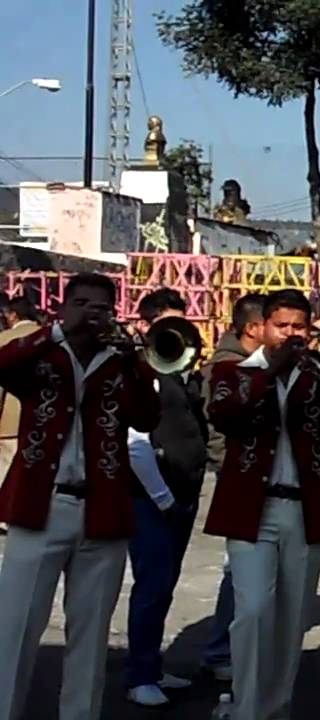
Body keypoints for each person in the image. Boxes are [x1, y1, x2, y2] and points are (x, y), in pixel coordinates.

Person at [0, 273, 161, 720]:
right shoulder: (42, 354)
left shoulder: (119, 362)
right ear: (63, 308)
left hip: (102, 510)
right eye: (82, 304)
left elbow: (147, 417)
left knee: (90, 638)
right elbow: (3, 365)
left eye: (101, 307)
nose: (92, 314)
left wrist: (134, 359)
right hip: (40, 505)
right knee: (15, 629)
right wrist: (55, 332)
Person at [203, 289, 320, 720]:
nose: (291, 334)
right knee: (252, 612)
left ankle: (276, 707)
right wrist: (273, 372)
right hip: (252, 508)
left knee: (292, 618)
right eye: (282, 326)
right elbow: (223, 414)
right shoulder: (234, 371)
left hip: (306, 510)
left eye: (299, 327)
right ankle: (246, 707)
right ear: (263, 328)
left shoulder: (319, 373)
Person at [123, 289, 210, 706]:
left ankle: (152, 668)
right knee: (152, 585)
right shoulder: (141, 371)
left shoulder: (178, 371)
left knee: (165, 586)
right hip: (152, 500)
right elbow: (136, 444)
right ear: (144, 326)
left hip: (180, 494)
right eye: (165, 324)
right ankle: (140, 675)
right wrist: (162, 498)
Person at [200, 293, 267, 682]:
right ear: (255, 328)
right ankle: (221, 650)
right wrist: (233, 466)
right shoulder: (225, 367)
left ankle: (235, 648)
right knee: (238, 570)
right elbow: (217, 431)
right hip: (241, 476)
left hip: (258, 475)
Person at [0, 295, 41, 498]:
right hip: (46, 421)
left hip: (10, 423)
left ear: (13, 315)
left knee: (6, 475)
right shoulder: (52, 338)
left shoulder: (4, 340)